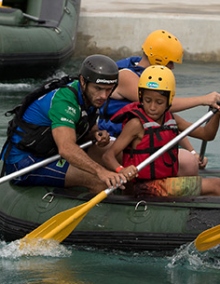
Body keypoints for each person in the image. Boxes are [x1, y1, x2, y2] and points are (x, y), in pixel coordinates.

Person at [96, 29, 220, 173]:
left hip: (143, 138)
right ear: (159, 59)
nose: (172, 67)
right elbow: (169, 106)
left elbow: (168, 121)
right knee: (186, 162)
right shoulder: (126, 76)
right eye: (171, 62)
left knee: (189, 159)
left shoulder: (153, 77)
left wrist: (193, 152)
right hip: (115, 140)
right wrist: (202, 100)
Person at [0, 54, 128, 193]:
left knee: (122, 155)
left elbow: (88, 130)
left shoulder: (91, 97)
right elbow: (66, 148)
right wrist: (100, 171)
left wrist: (96, 134)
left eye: (108, 90)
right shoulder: (64, 101)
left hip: (52, 153)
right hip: (26, 161)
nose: (103, 96)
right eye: (98, 88)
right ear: (83, 82)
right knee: (100, 181)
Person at [102, 65, 220, 197]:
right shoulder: (136, 124)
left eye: (159, 102)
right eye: (147, 100)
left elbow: (207, 134)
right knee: (216, 186)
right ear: (141, 97)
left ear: (169, 101)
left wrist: (217, 114)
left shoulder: (172, 119)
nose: (152, 107)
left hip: (164, 181)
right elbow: (108, 156)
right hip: (143, 187)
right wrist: (121, 170)